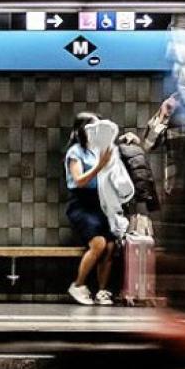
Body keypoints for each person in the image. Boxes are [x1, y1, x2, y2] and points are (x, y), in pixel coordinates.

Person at [64, 111, 116, 305]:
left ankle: (102, 290)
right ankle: (78, 285)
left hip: (99, 203)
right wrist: (99, 167)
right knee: (99, 243)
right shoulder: (75, 152)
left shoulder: (98, 149)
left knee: (110, 246)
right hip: (81, 203)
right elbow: (79, 180)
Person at [117, 131, 160, 238]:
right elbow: (147, 177)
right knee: (139, 228)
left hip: (127, 195)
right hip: (141, 195)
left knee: (125, 228)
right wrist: (151, 202)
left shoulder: (119, 151)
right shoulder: (140, 152)